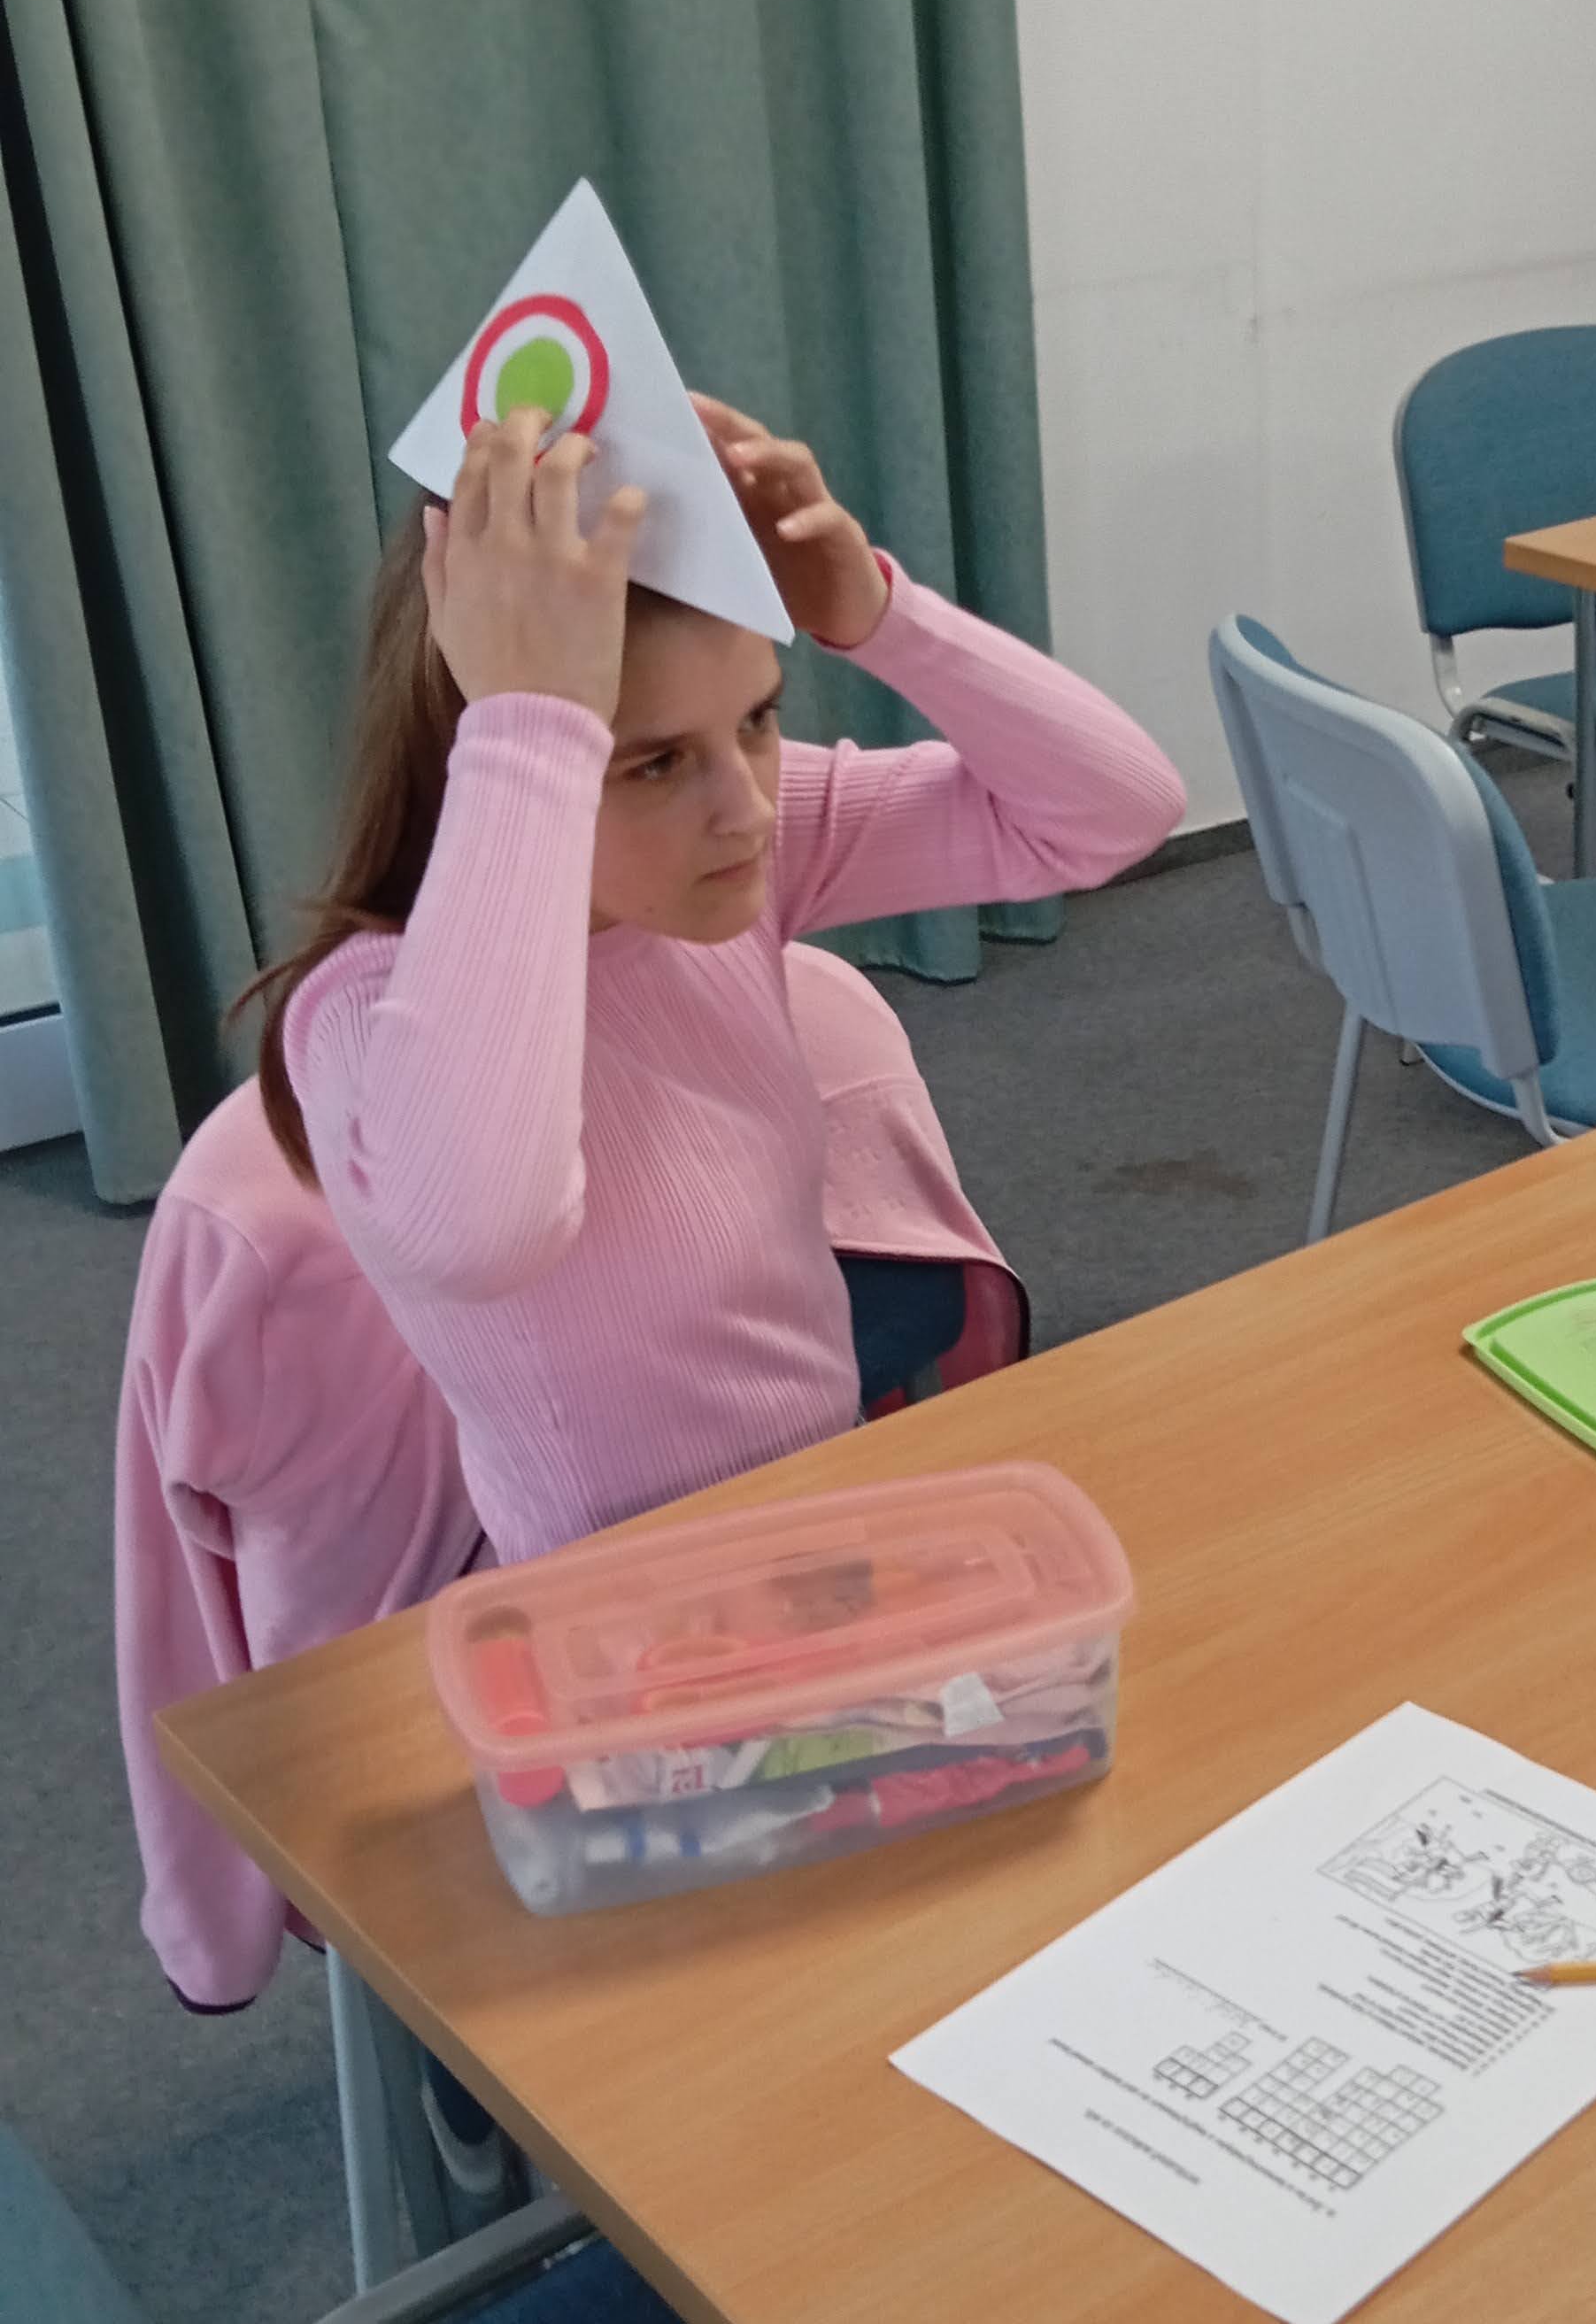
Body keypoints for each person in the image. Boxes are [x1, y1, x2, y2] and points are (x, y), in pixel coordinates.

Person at [243, 395, 1182, 1568]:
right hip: (625, 1601)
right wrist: (532, 721)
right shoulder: (368, 1009)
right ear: (495, 762)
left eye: (757, 720)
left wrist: (877, 615)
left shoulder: (729, 844)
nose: (744, 810)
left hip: (822, 1510)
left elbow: (1116, 811)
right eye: (654, 763)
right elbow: (484, 1232)